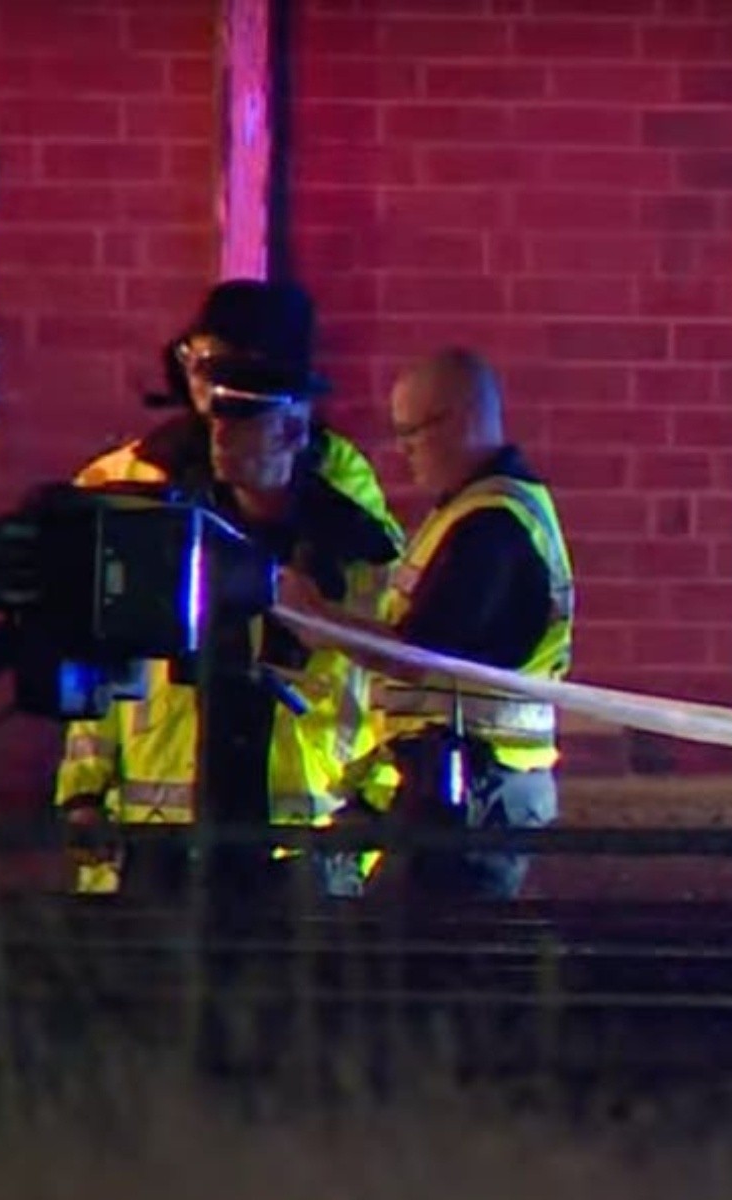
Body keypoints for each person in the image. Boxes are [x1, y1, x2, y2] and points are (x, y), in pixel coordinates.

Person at [54, 280, 401, 901]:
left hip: (297, 830)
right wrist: (83, 790)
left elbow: (384, 658)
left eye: (232, 375)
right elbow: (90, 656)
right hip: (155, 831)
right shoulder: (129, 480)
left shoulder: (341, 496)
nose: (210, 392)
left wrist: (374, 801)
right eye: (200, 365)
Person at [280, 347, 574, 901]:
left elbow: (420, 655)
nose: (403, 451)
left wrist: (318, 620)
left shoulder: (491, 523)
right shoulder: (477, 510)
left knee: (434, 958)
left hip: (476, 788)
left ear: (460, 419)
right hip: (469, 780)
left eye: (412, 432)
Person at [75, 279, 398, 550]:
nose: (198, 377)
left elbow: (378, 582)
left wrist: (274, 501)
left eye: (217, 365)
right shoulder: (140, 466)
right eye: (190, 357)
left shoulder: (337, 468)